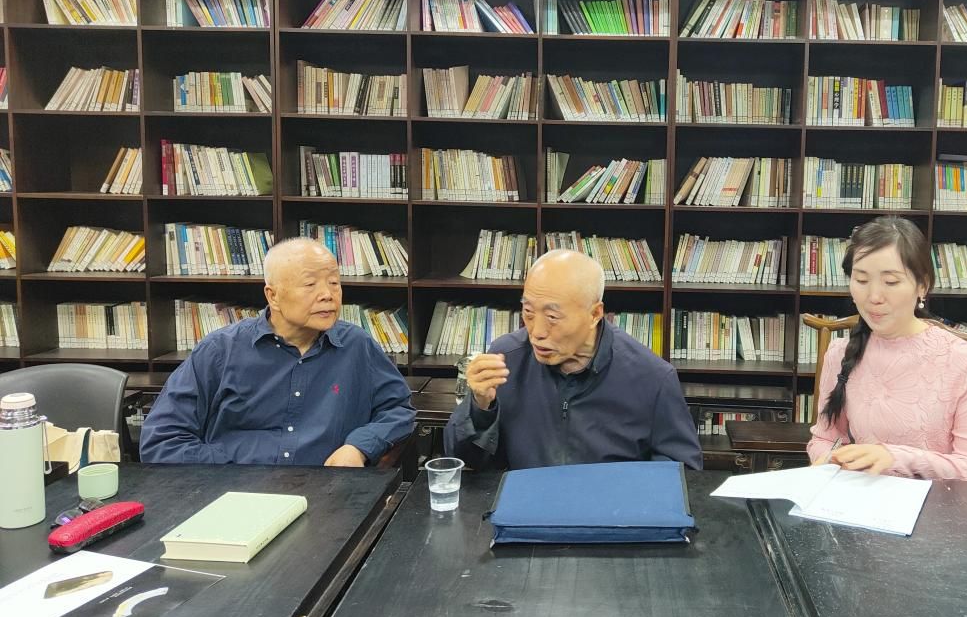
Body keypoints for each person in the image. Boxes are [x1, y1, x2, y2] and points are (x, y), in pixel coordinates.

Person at [141, 237, 415, 466]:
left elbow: (398, 410)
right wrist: (232, 470)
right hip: (233, 495)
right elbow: (162, 441)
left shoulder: (357, 345)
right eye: (310, 284)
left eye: (334, 282)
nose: (328, 295)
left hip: (326, 492)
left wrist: (359, 447)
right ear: (273, 296)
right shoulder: (220, 351)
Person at [443, 248, 702, 470]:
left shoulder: (652, 378)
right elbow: (463, 460)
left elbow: (680, 472)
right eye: (528, 312)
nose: (537, 332)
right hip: (527, 506)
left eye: (552, 317)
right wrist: (480, 406)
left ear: (594, 314)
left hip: (612, 509)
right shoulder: (506, 358)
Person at [806, 216, 967, 481]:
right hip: (861, 498)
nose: (874, 297)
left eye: (891, 282)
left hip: (936, 503)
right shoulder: (840, 353)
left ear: (922, 286)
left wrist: (894, 458)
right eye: (861, 280)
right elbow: (824, 439)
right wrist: (829, 460)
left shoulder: (961, 360)